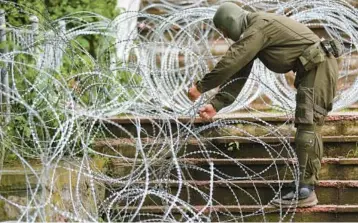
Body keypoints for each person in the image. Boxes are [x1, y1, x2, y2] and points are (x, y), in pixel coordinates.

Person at [188, 2, 342, 207]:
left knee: (308, 125)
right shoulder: (255, 29)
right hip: (313, 68)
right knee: (307, 124)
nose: (226, 36)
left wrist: (201, 86)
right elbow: (240, 69)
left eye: (224, 31)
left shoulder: (258, 25)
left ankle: (306, 190)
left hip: (318, 66)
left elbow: (234, 59)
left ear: (230, 22)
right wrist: (217, 104)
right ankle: (304, 186)